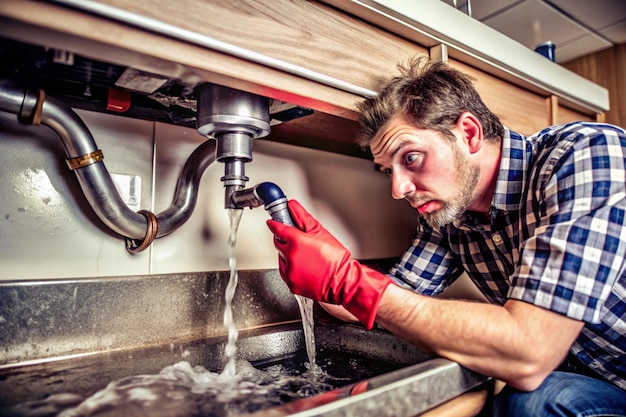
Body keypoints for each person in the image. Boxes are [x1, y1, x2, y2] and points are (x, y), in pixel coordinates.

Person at [266, 56, 626, 416]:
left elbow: (530, 352)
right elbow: (396, 294)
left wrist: (350, 281)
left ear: (468, 133)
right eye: (387, 170)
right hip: (586, 377)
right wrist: (328, 277)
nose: (398, 189)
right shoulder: (449, 213)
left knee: (531, 403)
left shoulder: (585, 155)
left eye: (410, 158)